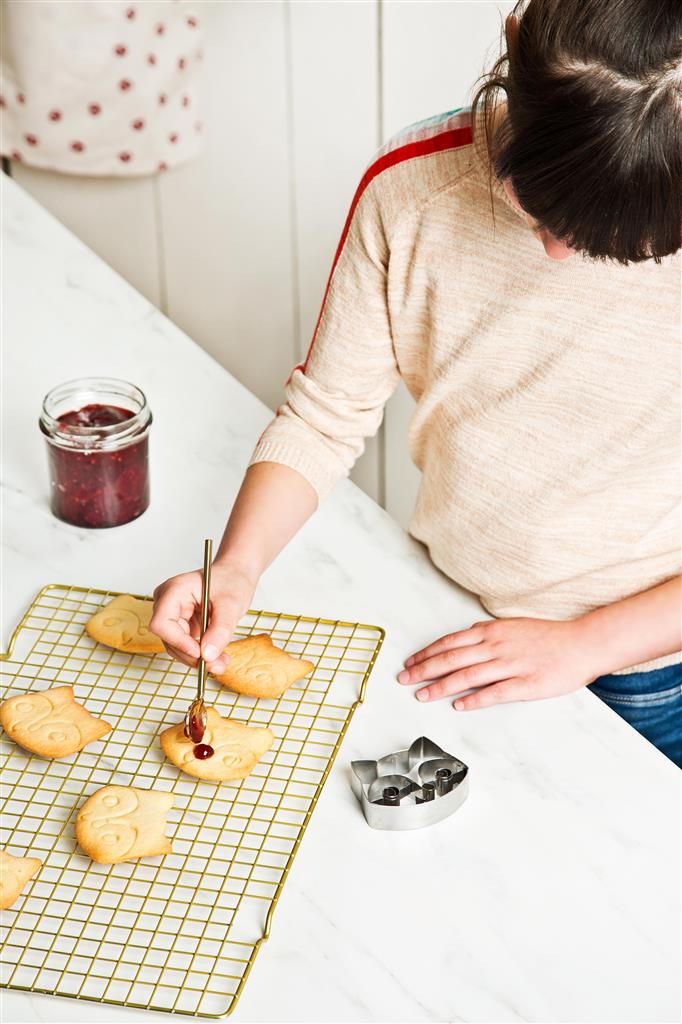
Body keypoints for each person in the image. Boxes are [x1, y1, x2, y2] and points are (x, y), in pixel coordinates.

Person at [151, 0, 682, 766]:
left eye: (611, 247)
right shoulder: (411, 191)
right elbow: (323, 417)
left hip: (654, 673)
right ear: (511, 51)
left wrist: (586, 644)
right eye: (534, 208)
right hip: (448, 616)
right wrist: (236, 567)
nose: (559, 255)